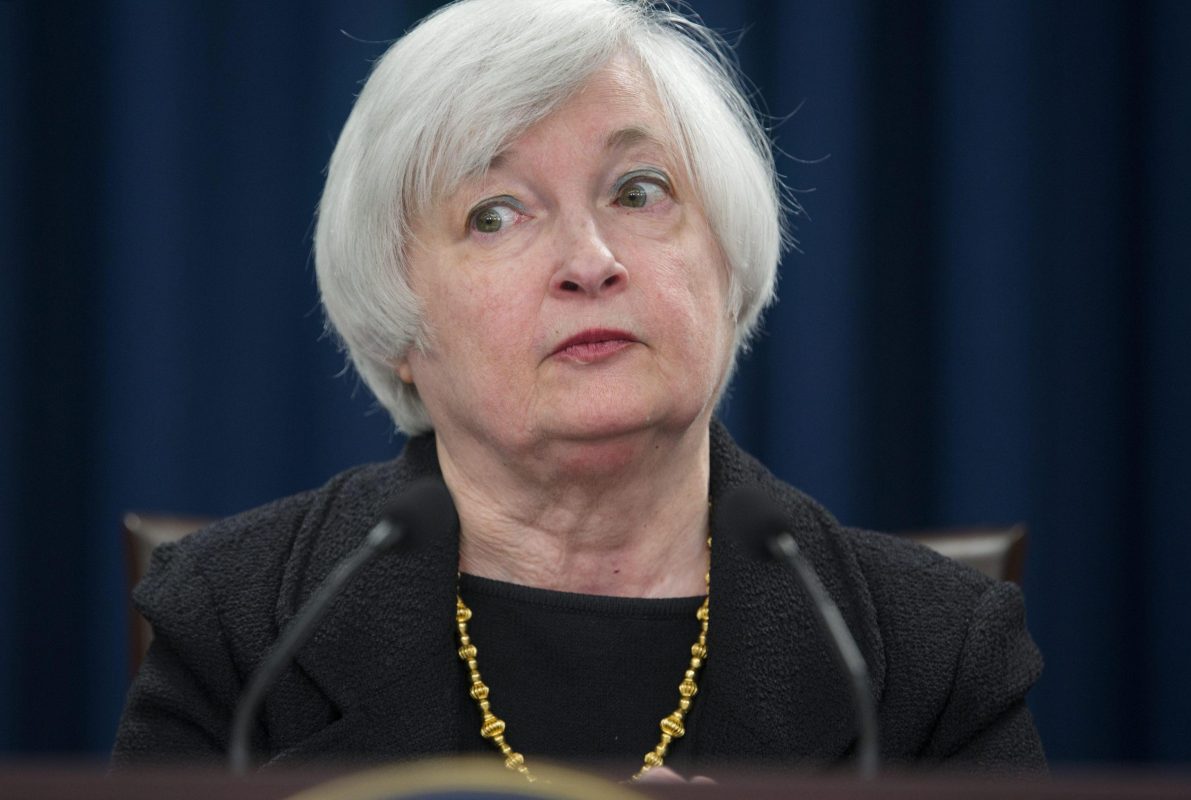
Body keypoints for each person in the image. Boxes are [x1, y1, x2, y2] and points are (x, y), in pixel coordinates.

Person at [113, 0, 1045, 778]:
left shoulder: (935, 658)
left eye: (638, 192)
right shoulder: (237, 629)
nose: (590, 261)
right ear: (398, 321)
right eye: (495, 214)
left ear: (727, 263)